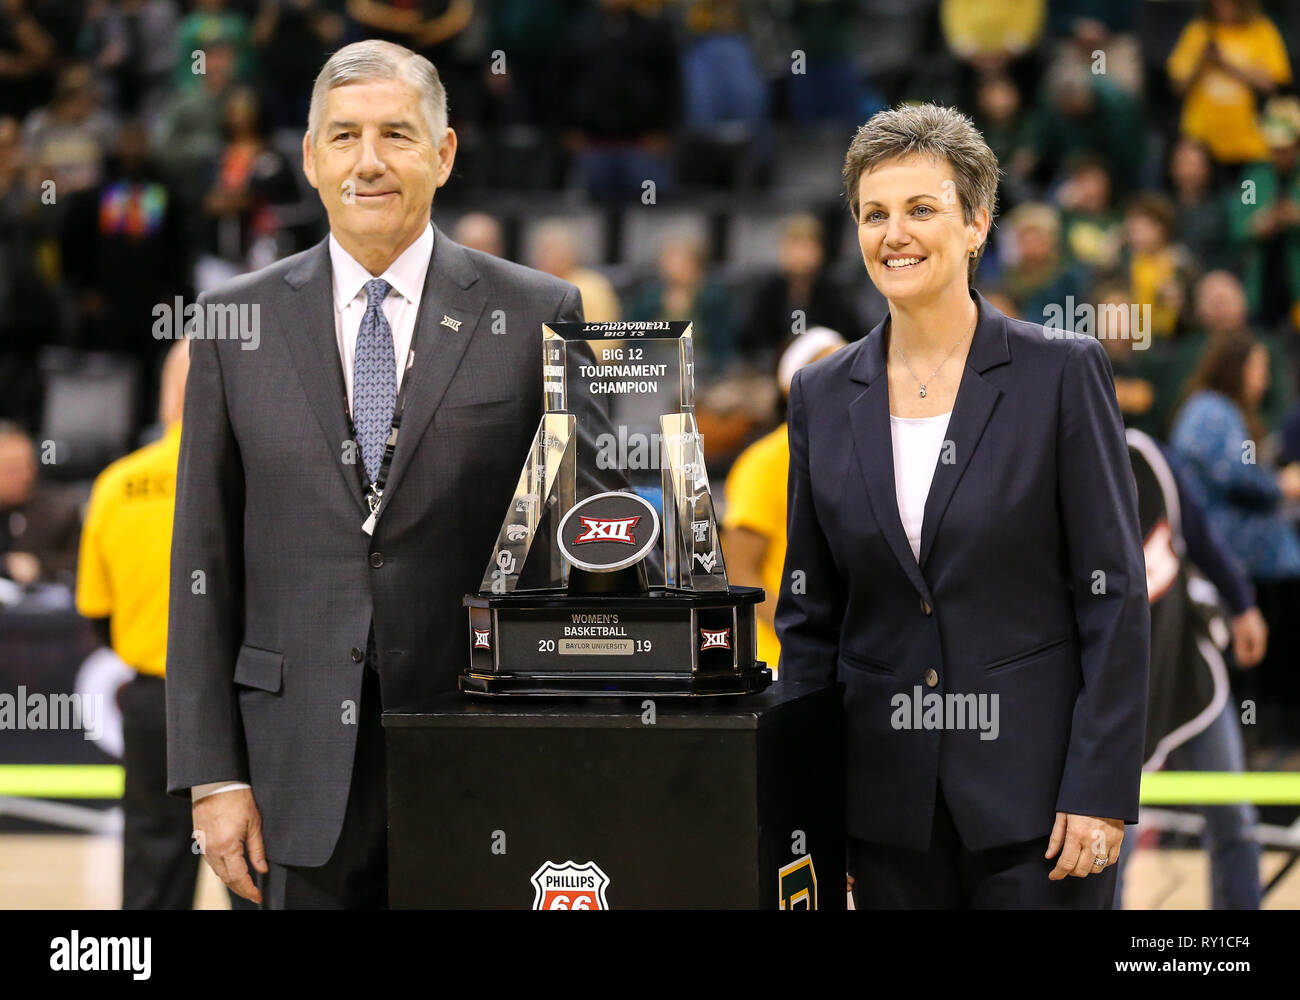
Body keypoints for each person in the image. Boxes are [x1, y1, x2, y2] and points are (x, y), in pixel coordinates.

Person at [165, 39, 585, 910]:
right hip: (289, 773)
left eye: (397, 133)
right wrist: (212, 775)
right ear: (312, 158)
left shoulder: (539, 311)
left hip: (478, 763)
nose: (369, 161)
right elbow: (200, 561)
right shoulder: (231, 320)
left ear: (445, 152)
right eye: (344, 136)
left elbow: (568, 554)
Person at [776, 103, 1150, 909]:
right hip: (882, 818)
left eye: (921, 209)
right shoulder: (820, 393)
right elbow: (809, 622)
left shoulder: (1061, 373)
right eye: (874, 214)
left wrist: (1100, 787)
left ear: (977, 223)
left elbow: (1115, 598)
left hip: (1042, 814)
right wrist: (809, 816)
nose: (894, 234)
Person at [76, 343, 212, 909]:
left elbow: (96, 612)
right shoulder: (266, 477)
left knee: (155, 863)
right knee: (262, 865)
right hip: (252, 701)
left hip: (156, 703)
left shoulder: (117, 484)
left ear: (166, 398)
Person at [1117, 423, 1265, 910]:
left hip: (1187, 674)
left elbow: (1200, 534)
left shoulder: (1146, 455)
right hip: (1115, 701)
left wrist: (1242, 604)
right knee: (1106, 849)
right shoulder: (1048, 476)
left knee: (1235, 825)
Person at [1169, 332, 1300, 746]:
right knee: (1252, 667)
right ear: (1236, 368)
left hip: (1253, 563)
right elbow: (1228, 473)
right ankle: (1256, 752)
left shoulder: (1221, 410)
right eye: (1258, 369)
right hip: (1238, 562)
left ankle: (1264, 748)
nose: (1262, 381)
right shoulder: (1211, 410)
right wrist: (1281, 484)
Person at [722, 328, 846, 676]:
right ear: (793, 388)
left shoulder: (861, 450)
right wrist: (803, 639)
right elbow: (742, 571)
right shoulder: (765, 461)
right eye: (828, 369)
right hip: (782, 662)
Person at [0, 422, 81, 587]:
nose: (21, 476)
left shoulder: (62, 510)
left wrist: (39, 566)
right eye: (9, 469)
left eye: (24, 467)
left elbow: (82, 563)